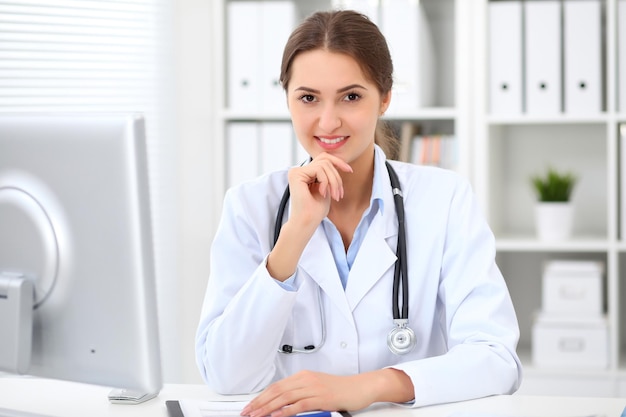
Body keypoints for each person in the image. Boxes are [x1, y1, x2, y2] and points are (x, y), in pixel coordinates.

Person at [195, 9, 522, 417]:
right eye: (308, 98)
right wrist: (295, 234)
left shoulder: (445, 199)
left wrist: (366, 387)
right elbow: (227, 377)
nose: (328, 121)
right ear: (288, 99)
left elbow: (496, 359)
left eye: (351, 97)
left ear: (384, 97)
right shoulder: (249, 206)